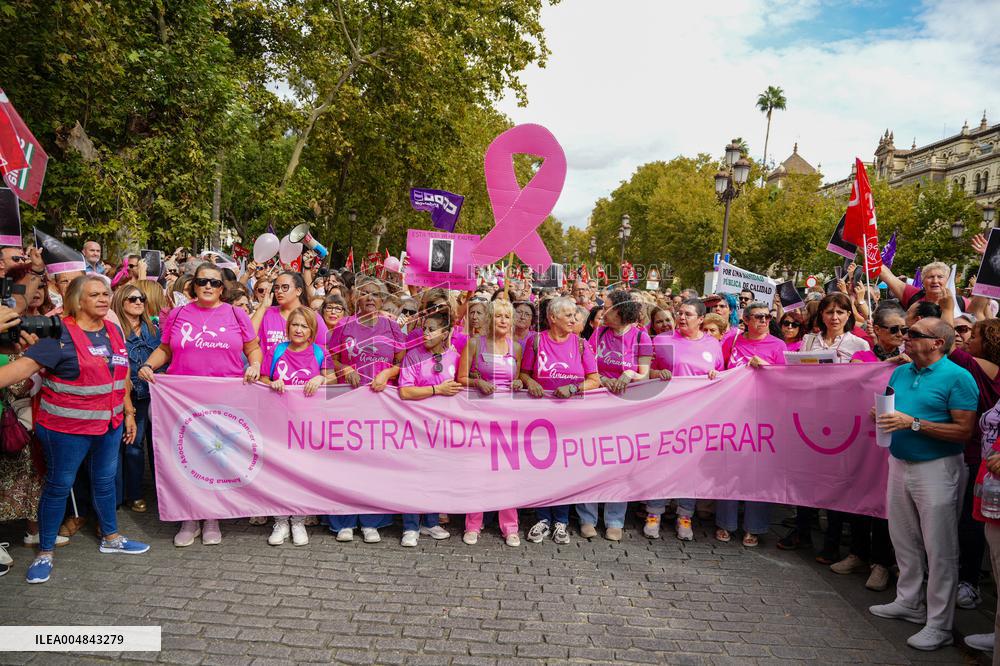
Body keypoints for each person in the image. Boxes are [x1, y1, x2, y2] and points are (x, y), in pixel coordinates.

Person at [0, 275, 149, 584]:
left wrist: (129, 411)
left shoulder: (112, 331)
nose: (104, 299)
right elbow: (15, 372)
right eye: (95, 294)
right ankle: (44, 552)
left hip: (108, 426)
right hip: (65, 430)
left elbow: (120, 373)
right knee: (58, 486)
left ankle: (112, 537)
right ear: (77, 301)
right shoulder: (59, 336)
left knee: (105, 482)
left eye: (106, 293)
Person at [869, 318, 978, 652]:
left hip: (938, 468)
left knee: (940, 547)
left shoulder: (960, 378)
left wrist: (912, 423)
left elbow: (963, 431)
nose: (904, 337)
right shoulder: (901, 372)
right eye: (905, 332)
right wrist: (883, 417)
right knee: (903, 538)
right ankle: (910, 601)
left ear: (937, 343)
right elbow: (894, 410)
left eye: (913, 334)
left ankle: (940, 624)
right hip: (900, 462)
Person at [138, 262, 262, 548]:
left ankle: (212, 517)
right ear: (193, 285)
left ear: (222, 288)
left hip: (224, 400)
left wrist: (254, 365)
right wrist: (148, 364)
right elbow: (165, 349)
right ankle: (189, 518)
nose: (208, 286)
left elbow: (252, 347)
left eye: (215, 283)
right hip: (183, 401)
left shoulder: (236, 313)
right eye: (203, 281)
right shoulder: (179, 313)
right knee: (185, 457)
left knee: (216, 458)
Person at [325, 277, 403, 543]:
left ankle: (371, 521)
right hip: (348, 403)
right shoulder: (344, 325)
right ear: (354, 299)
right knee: (347, 462)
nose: (370, 298)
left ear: (383, 301)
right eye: (364, 294)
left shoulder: (391, 326)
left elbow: (403, 363)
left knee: (374, 463)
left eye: (375, 294)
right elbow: (330, 356)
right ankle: (344, 521)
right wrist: (343, 368)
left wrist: (388, 372)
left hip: (381, 405)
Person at [519, 297, 600, 544]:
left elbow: (594, 379)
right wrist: (530, 381)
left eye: (575, 316)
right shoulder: (535, 341)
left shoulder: (582, 344)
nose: (574, 320)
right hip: (540, 418)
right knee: (542, 467)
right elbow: (523, 372)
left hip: (571, 418)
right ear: (553, 318)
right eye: (568, 315)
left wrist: (574, 388)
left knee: (566, 468)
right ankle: (543, 518)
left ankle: (561, 522)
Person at [647, 299, 722, 540]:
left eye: (688, 314)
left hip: (699, 417)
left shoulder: (713, 343)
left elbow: (721, 373)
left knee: (690, 467)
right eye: (679, 313)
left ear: (701, 319)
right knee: (661, 464)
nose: (681, 317)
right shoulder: (663, 340)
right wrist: (657, 373)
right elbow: (647, 370)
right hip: (667, 414)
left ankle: (685, 515)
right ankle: (654, 513)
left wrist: (715, 375)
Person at [260, 307, 336, 547]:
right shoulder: (276, 350)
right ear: (288, 327)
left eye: (304, 326)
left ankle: (299, 520)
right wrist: (272, 383)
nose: (299, 330)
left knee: (303, 472)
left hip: (307, 426)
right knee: (280, 471)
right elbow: (263, 377)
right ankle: (281, 520)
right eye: (295, 325)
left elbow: (334, 376)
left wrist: (321, 378)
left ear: (312, 330)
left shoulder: (319, 352)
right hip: (279, 423)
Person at [580, 291, 651, 541]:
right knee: (589, 461)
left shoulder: (642, 336)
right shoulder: (598, 333)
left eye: (607, 307)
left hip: (626, 411)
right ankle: (587, 518)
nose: (603, 311)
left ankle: (614, 519)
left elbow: (645, 373)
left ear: (621, 311)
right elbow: (587, 365)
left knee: (619, 465)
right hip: (596, 407)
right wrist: (603, 380)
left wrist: (630, 375)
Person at [714, 301, 785, 547]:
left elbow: (787, 381)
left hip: (762, 416)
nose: (763, 321)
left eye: (766, 317)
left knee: (758, 473)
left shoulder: (778, 345)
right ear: (745, 319)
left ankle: (754, 527)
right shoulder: (732, 341)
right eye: (757, 316)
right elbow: (719, 368)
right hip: (731, 414)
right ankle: (726, 523)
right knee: (729, 470)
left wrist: (765, 368)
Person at [457, 300, 523, 546]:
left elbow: (516, 379)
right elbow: (461, 377)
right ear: (489, 320)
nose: (503, 321)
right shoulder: (474, 343)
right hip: (480, 417)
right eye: (498, 317)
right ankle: (473, 524)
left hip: (507, 419)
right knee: (478, 472)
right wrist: (477, 383)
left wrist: (519, 383)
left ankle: (510, 526)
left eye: (507, 316)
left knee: (507, 473)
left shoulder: (515, 347)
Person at [397, 309, 461, 546]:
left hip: (442, 429)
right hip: (415, 426)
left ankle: (431, 521)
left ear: (445, 333)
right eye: (424, 328)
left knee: (437, 474)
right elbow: (405, 391)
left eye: (431, 329)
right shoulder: (413, 356)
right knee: (414, 474)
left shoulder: (455, 357)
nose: (425, 333)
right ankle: (410, 526)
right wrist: (437, 390)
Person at [111, 283, 162, 514]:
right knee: (133, 447)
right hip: (132, 397)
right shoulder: (115, 331)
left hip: (158, 396)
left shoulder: (154, 330)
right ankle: (135, 493)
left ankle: (162, 492)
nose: (139, 302)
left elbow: (165, 357)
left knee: (158, 445)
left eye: (141, 298)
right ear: (121, 302)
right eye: (132, 299)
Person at [252, 271, 329, 358]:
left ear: (298, 291)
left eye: (285, 287)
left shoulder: (312, 317)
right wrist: (262, 307)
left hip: (301, 369)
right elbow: (249, 339)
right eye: (276, 288)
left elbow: (324, 348)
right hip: (269, 369)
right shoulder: (266, 313)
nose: (279, 291)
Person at [800, 292, 870, 362]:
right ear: (822, 315)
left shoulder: (860, 345)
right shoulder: (808, 341)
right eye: (829, 312)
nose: (834, 317)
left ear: (848, 315)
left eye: (840, 312)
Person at [881, 261, 952, 309]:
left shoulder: (961, 302)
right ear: (923, 281)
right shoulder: (913, 295)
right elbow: (886, 275)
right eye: (930, 277)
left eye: (940, 277)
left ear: (948, 280)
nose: (935, 281)